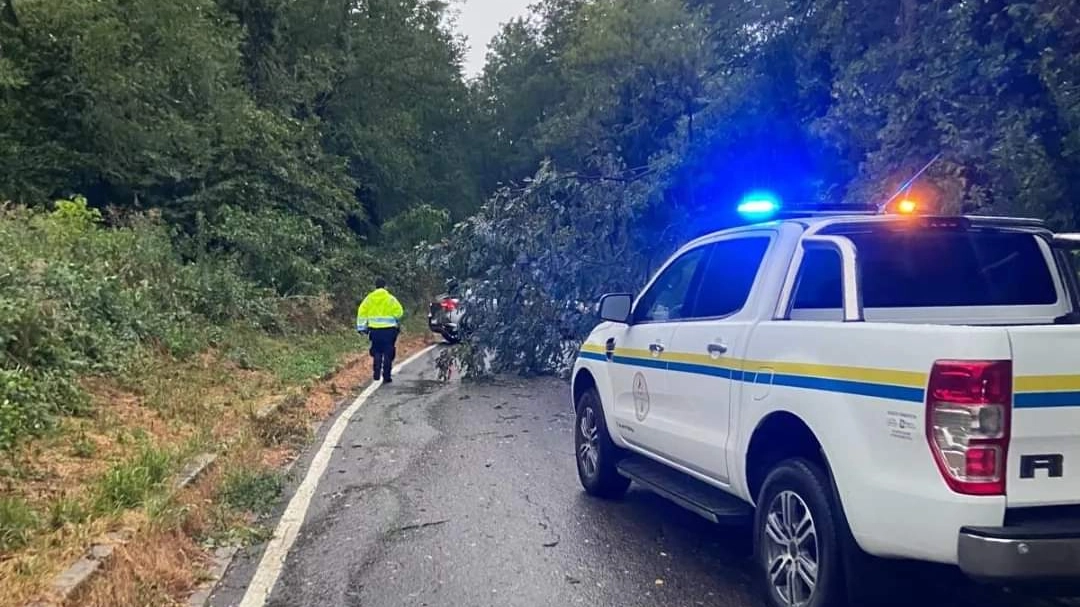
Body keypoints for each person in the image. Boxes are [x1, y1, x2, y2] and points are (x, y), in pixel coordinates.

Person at [356, 278, 404, 383]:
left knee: (376, 350)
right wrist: (394, 318)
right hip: (389, 330)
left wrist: (361, 327)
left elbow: (362, 312)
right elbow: (399, 312)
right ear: (385, 286)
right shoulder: (390, 299)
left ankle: (376, 371)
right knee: (388, 352)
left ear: (375, 286)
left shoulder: (369, 299)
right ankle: (386, 376)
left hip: (374, 330)